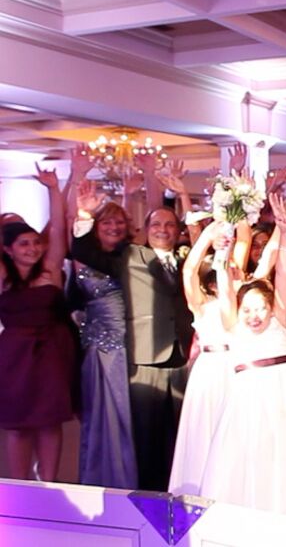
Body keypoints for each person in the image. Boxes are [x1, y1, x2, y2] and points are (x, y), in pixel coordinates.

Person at [199, 194, 286, 519]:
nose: (254, 316)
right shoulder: (233, 325)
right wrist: (222, 251)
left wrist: (284, 234)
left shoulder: (280, 318)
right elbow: (225, 283)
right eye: (247, 310)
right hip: (249, 402)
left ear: (272, 307)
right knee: (250, 458)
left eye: (260, 309)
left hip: (285, 399)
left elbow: (282, 272)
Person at [72, 194, 194, 491]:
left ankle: (175, 491)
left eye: (169, 224)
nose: (162, 230)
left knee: (178, 432)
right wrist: (85, 215)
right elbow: (84, 251)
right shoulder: (130, 256)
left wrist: (184, 196)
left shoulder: (187, 258)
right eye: (156, 224)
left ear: (178, 230)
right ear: (145, 229)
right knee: (146, 435)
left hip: (180, 356)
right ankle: (148, 497)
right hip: (144, 357)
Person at [0, 167, 74, 481]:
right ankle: (19, 486)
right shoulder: (3, 277)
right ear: (7, 249)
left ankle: (49, 483)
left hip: (51, 353)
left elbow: (58, 227)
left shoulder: (49, 270)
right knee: (17, 424)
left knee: (49, 421)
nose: (32, 248)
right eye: (23, 244)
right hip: (14, 357)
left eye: (34, 242)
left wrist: (54, 189)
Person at [70, 195, 137, 489]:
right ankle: (99, 476)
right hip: (95, 346)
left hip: (125, 345)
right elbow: (73, 299)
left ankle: (127, 476)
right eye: (106, 222)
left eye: (119, 221)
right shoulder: (82, 255)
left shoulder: (129, 256)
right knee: (97, 415)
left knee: (125, 412)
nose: (113, 227)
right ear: (96, 227)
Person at [168, 220, 233, 495]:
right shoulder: (202, 305)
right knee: (204, 428)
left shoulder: (244, 305)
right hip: (210, 368)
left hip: (236, 369)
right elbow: (189, 270)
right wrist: (207, 236)